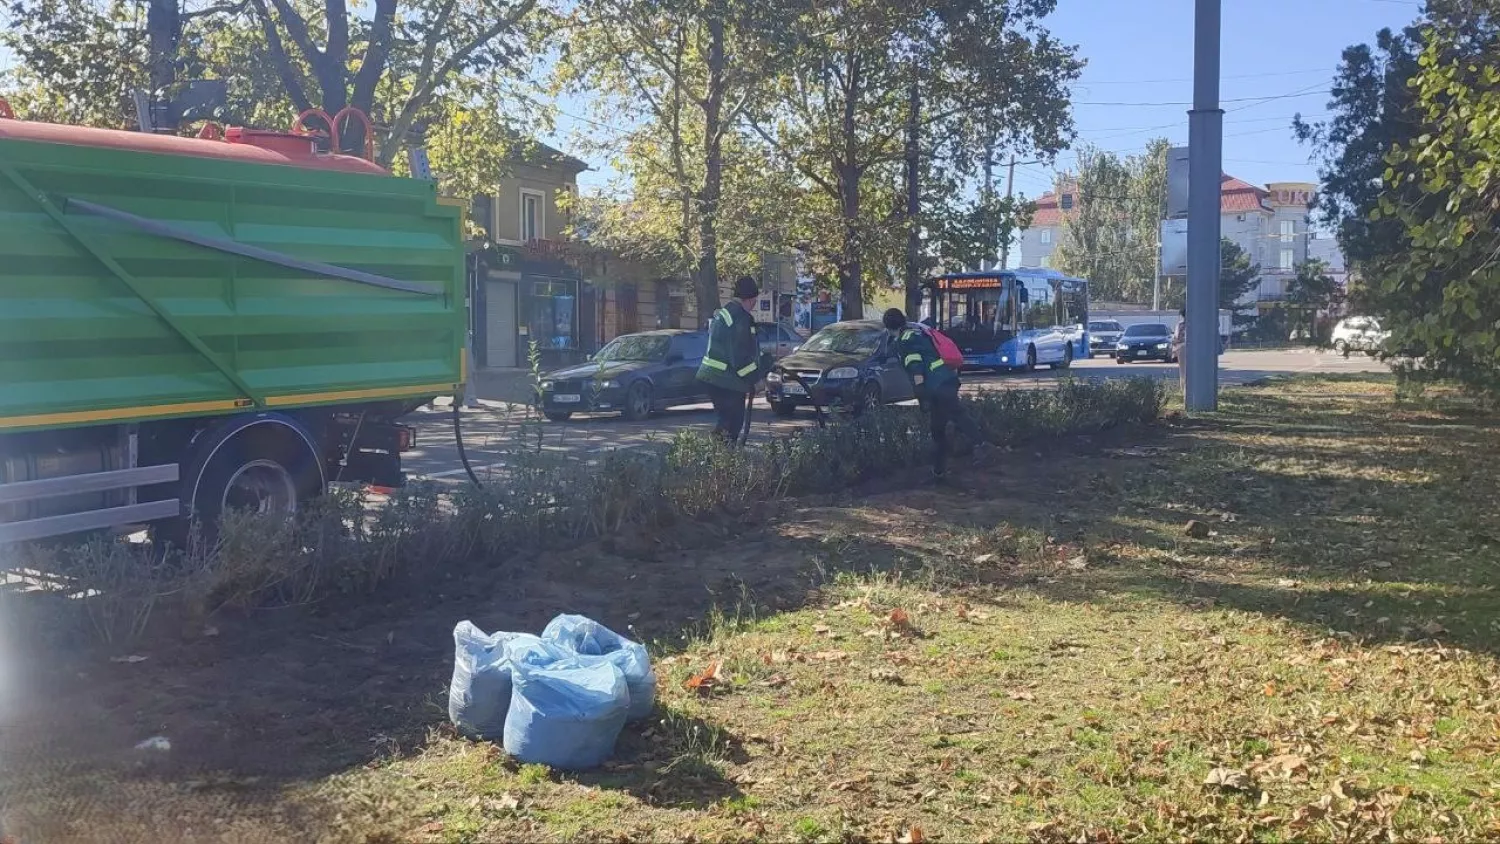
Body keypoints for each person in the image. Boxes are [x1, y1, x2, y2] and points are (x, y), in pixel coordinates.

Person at [884, 308, 988, 479]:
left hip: (937, 386)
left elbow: (915, 364)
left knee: (954, 415)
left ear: (888, 326)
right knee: (939, 427)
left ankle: (980, 445)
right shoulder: (917, 332)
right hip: (947, 379)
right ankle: (939, 470)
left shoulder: (905, 340)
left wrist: (920, 391)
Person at [697, 276, 772, 444]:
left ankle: (717, 461)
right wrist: (756, 380)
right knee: (731, 424)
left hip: (715, 379)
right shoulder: (740, 318)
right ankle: (718, 462)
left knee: (727, 422)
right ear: (752, 299)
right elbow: (740, 359)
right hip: (726, 381)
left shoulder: (727, 312)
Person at [1172, 308, 1187, 388]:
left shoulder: (1180, 325)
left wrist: (1174, 351)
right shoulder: (1196, 325)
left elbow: (1176, 338)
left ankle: (1183, 387)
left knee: (1183, 370)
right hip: (1193, 348)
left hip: (1182, 348)